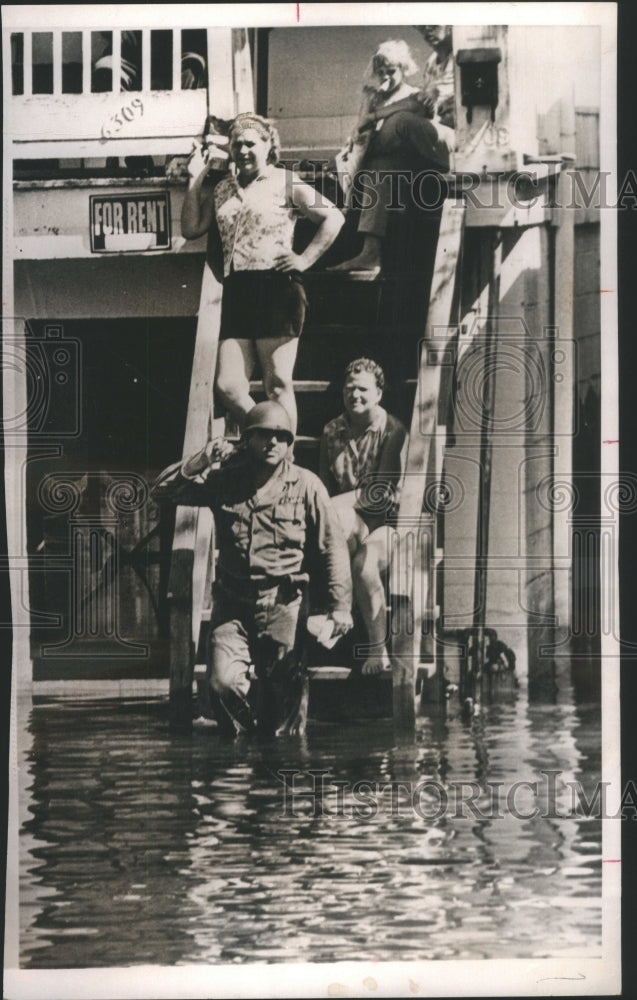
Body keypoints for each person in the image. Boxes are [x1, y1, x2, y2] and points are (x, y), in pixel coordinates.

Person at [152, 400, 354, 736]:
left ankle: (279, 763)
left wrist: (340, 607)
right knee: (221, 684)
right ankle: (241, 756)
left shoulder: (307, 486)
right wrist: (201, 460)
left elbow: (332, 546)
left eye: (280, 436)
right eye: (262, 435)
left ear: (290, 443)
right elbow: (162, 493)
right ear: (247, 440)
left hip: (284, 604)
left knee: (284, 709)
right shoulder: (226, 481)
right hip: (232, 603)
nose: (271, 442)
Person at [181, 112, 345, 433]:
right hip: (237, 288)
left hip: (276, 287)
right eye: (237, 144)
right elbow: (190, 228)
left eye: (250, 144)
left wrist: (304, 259)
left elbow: (333, 218)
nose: (242, 150)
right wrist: (195, 177)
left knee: (278, 383)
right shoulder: (223, 188)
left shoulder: (284, 181)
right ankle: (270, 437)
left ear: (268, 146)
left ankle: (283, 459)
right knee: (228, 385)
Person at [329, 39, 451, 276]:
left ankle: (368, 250)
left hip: (417, 162)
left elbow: (413, 114)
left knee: (391, 132)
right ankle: (370, 251)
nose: (386, 77)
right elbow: (361, 129)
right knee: (378, 168)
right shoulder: (376, 96)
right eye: (381, 72)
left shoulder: (414, 94)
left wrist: (372, 118)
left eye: (392, 71)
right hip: (387, 165)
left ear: (404, 69)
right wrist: (368, 103)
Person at [319, 359, 407, 674]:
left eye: (363, 389)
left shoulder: (392, 429)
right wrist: (331, 509)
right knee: (338, 525)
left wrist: (330, 508)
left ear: (379, 393)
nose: (355, 395)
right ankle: (342, 609)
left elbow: (378, 494)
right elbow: (322, 486)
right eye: (349, 388)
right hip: (346, 524)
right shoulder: (331, 430)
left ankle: (376, 649)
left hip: (385, 524)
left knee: (365, 566)